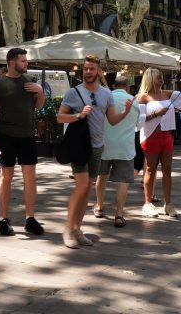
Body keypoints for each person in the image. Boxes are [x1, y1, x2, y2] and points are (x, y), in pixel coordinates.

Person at [58, 55, 133, 248]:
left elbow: (112, 120)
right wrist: (78, 115)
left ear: (99, 71)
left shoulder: (106, 94)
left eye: (92, 69)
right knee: (81, 186)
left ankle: (77, 229)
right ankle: (68, 228)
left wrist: (125, 111)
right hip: (79, 146)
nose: (88, 72)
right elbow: (60, 117)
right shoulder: (73, 93)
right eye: (85, 69)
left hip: (97, 147)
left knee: (87, 189)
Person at [0, 48, 47, 237]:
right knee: (6, 177)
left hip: (27, 136)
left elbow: (39, 106)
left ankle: (30, 219)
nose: (26, 63)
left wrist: (40, 92)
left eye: (26, 60)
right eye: (23, 61)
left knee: (30, 177)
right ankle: (3, 219)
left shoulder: (29, 83)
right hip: (6, 136)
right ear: (12, 63)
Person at [137, 67, 181, 218]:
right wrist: (156, 113)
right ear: (150, 78)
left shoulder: (168, 94)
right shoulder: (142, 97)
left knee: (168, 171)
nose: (161, 79)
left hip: (167, 136)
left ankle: (168, 204)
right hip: (151, 136)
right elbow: (138, 120)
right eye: (158, 77)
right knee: (150, 170)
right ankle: (147, 203)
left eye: (162, 76)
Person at [94, 73, 140, 229]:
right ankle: (119, 214)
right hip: (125, 146)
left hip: (104, 144)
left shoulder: (105, 98)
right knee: (123, 181)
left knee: (101, 176)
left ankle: (99, 207)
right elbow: (137, 126)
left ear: (114, 86)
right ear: (128, 87)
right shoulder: (134, 102)